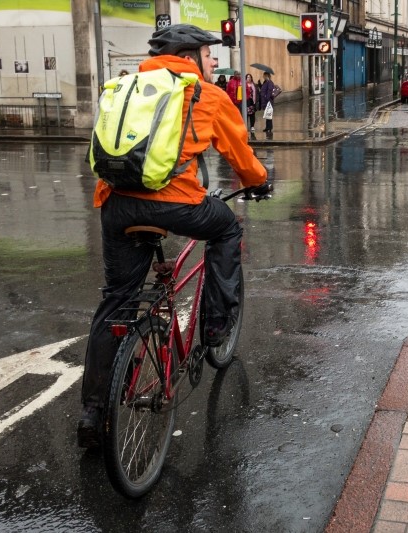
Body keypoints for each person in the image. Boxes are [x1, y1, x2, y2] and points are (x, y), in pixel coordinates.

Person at [78, 24, 271, 449]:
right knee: (226, 228)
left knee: (117, 301)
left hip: (116, 203)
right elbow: (240, 154)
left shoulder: (128, 88)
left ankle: (93, 411)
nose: (213, 61)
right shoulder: (206, 95)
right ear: (188, 57)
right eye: (208, 54)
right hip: (175, 203)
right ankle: (217, 323)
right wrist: (258, 181)